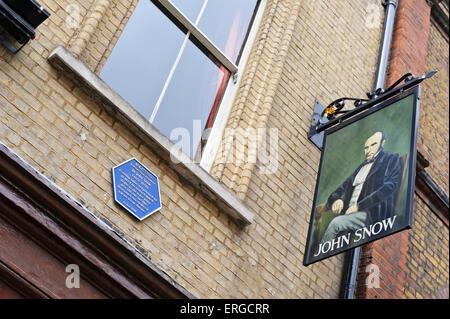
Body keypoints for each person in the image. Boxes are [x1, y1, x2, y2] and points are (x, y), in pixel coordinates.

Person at [320, 131, 402, 244]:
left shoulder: (390, 159)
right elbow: (340, 189)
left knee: (335, 224)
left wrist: (359, 206)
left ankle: (323, 256)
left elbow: (389, 187)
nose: (368, 150)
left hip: (371, 214)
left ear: (382, 143)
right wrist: (336, 200)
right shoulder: (360, 168)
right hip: (349, 214)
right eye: (366, 147)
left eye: (374, 144)